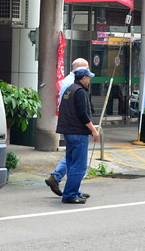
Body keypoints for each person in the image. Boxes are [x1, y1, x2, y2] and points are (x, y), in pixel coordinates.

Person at [45, 58, 94, 197]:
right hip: (76, 128)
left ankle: (70, 188)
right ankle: (69, 190)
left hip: (70, 128)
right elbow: (80, 111)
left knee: (72, 160)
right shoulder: (74, 86)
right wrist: (93, 130)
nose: (89, 76)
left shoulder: (70, 83)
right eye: (87, 71)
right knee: (76, 163)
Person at [54, 67, 99, 204]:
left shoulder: (69, 90)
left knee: (72, 163)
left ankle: (75, 191)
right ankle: (70, 194)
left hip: (69, 132)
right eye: (88, 77)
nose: (89, 80)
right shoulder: (80, 92)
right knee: (78, 166)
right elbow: (82, 114)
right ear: (84, 78)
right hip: (78, 133)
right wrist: (94, 130)